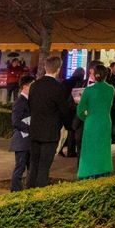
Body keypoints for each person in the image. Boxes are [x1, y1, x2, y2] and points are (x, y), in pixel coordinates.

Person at [27, 56, 72, 189]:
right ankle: (40, 195)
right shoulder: (58, 88)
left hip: (34, 131)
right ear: (58, 70)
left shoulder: (34, 85)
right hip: (50, 132)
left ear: (45, 67)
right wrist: (69, 126)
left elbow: (30, 106)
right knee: (44, 167)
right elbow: (63, 111)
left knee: (33, 165)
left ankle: (28, 192)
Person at [77, 64, 115, 179]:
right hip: (105, 122)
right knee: (103, 148)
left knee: (89, 149)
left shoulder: (89, 90)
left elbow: (80, 110)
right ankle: (104, 170)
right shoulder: (110, 89)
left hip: (91, 122)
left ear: (96, 75)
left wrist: (87, 117)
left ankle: (88, 173)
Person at [9, 75, 34, 191]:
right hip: (21, 141)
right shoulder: (20, 102)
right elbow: (15, 122)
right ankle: (15, 191)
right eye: (32, 85)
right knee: (20, 168)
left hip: (28, 141)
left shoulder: (30, 101)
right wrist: (30, 128)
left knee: (30, 167)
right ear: (25, 87)